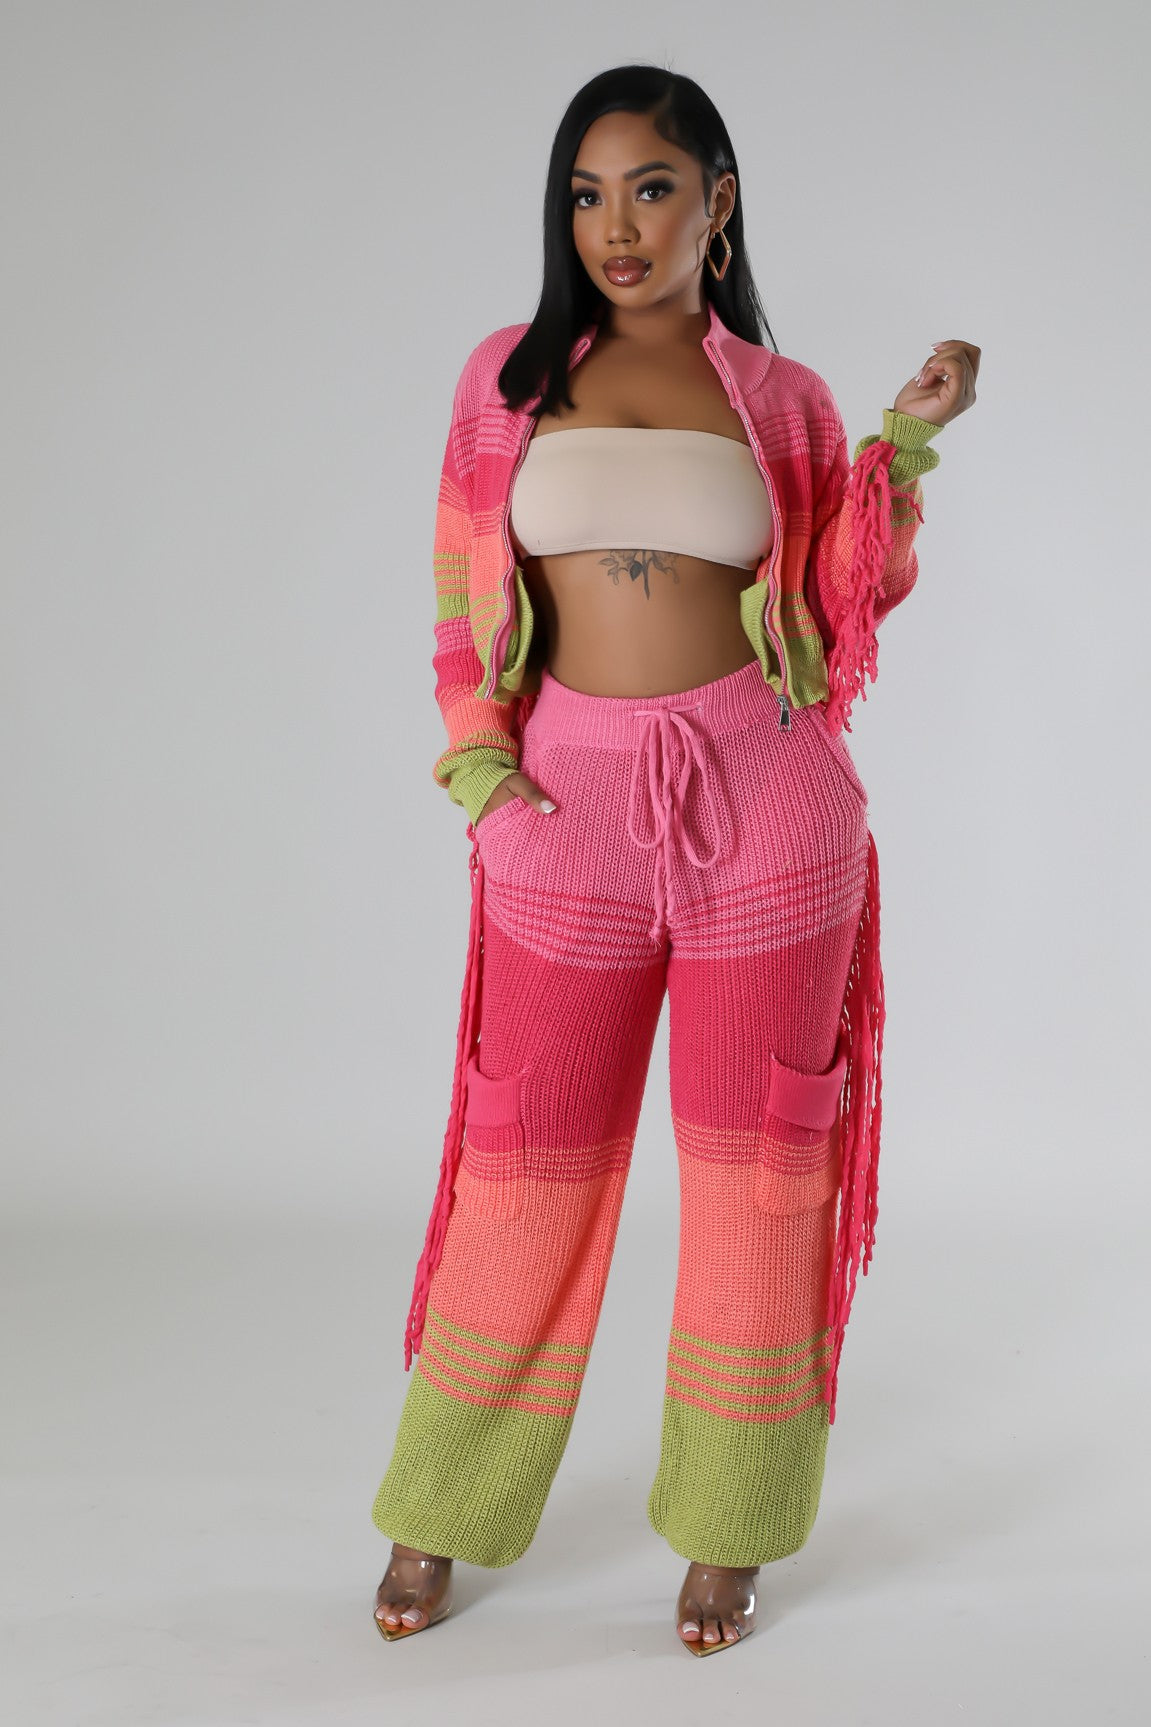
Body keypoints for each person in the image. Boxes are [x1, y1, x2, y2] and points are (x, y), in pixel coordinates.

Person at [371, 63, 979, 1656]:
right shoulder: (506, 380)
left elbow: (843, 602)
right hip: (564, 814)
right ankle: (441, 1508)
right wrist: (487, 778)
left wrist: (905, 446)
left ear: (720, 200)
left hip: (766, 809)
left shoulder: (782, 399)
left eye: (651, 187)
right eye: (588, 194)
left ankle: (730, 1529)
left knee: (763, 1182)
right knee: (522, 1172)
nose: (617, 226)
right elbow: (457, 602)